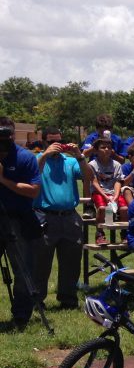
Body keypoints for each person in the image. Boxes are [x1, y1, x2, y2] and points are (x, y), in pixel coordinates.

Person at [33, 127, 93, 310]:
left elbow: (88, 176)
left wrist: (80, 156)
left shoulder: (70, 161)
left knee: (71, 261)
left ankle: (68, 298)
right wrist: (45, 155)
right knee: (41, 261)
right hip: (44, 216)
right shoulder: (36, 159)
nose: (56, 145)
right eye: (51, 142)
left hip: (69, 217)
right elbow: (33, 174)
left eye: (58, 141)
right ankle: (37, 299)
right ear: (44, 142)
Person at [0, 115, 42, 330]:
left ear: (13, 134)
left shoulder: (25, 158)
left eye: (6, 135)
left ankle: (21, 317)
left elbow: (34, 190)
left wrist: (3, 180)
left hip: (19, 219)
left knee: (23, 269)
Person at [87, 137, 126, 245]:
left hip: (113, 192)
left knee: (124, 208)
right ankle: (100, 234)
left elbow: (118, 182)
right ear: (96, 150)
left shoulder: (116, 164)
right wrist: (105, 195)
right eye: (103, 147)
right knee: (103, 208)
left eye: (109, 147)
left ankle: (124, 234)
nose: (106, 149)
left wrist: (116, 196)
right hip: (99, 192)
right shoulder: (92, 164)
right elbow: (94, 182)